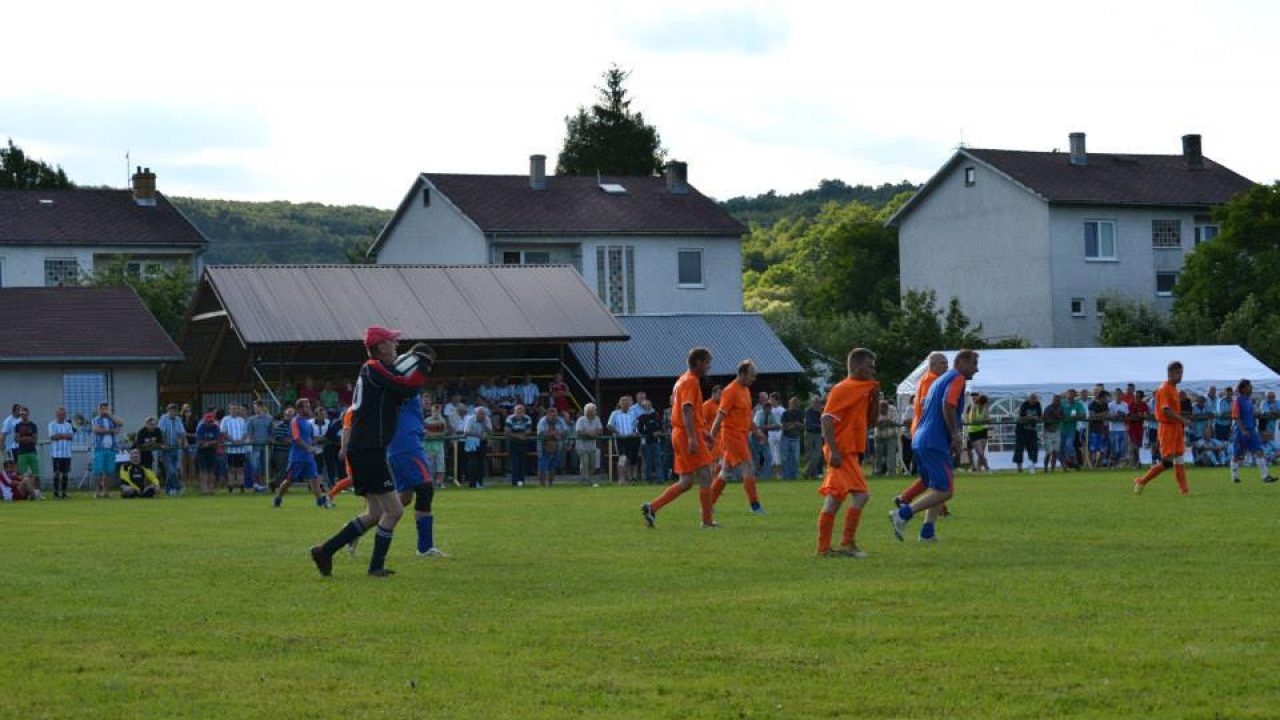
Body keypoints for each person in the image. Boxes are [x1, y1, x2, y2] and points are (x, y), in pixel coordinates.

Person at [310, 327, 431, 578]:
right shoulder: (373, 367)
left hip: (367, 448)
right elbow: (406, 385)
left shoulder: (378, 372)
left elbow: (402, 390)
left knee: (375, 513)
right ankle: (375, 567)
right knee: (394, 510)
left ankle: (325, 551)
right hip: (369, 449)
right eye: (392, 341)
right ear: (382, 347)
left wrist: (415, 371)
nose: (396, 345)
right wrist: (421, 367)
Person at [891, 349, 980, 543]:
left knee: (934, 484)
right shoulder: (957, 378)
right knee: (946, 490)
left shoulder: (938, 379)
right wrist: (955, 435)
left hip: (921, 438)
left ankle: (927, 532)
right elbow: (947, 404)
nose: (977, 370)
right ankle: (903, 513)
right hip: (934, 440)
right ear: (963, 362)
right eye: (974, 364)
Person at [642, 347, 717, 529]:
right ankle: (707, 521)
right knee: (706, 475)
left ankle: (652, 507)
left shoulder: (682, 379)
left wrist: (703, 433)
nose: (709, 366)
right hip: (685, 433)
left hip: (680, 432)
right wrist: (693, 437)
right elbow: (686, 409)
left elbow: (688, 411)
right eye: (707, 362)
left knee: (686, 481)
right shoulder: (691, 381)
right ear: (698, 362)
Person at [816, 349, 880, 558]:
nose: (873, 370)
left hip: (850, 450)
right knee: (861, 495)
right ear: (857, 366)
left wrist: (875, 398)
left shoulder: (865, 389)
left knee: (835, 498)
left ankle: (825, 548)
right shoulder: (842, 388)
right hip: (841, 451)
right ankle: (845, 543)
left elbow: (871, 421)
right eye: (870, 366)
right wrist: (833, 451)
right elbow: (826, 419)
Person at [387, 387, 448, 557]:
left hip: (401, 446)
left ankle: (359, 526)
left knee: (404, 498)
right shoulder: (403, 387)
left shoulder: (408, 396)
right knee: (425, 489)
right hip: (407, 447)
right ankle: (425, 547)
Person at [892, 352, 948, 506]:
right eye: (942, 363)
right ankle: (939, 507)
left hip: (921, 431)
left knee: (928, 474)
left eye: (946, 363)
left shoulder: (928, 379)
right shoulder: (932, 380)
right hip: (928, 433)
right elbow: (926, 404)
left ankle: (904, 498)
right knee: (938, 472)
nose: (946, 366)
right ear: (933, 365)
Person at [709, 360, 765, 514]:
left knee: (725, 472)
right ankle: (755, 505)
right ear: (741, 374)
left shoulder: (746, 390)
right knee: (748, 467)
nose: (754, 379)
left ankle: (708, 504)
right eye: (751, 376)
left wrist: (757, 431)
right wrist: (711, 438)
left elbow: (747, 416)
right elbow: (720, 416)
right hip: (731, 435)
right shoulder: (730, 391)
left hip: (741, 435)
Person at [1133, 361, 1192, 495]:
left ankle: (1184, 490)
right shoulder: (1164, 388)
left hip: (1176, 427)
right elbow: (1165, 410)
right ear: (1170, 373)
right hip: (1167, 428)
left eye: (1181, 372)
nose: (1180, 376)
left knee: (1179, 457)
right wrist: (1183, 419)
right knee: (1167, 462)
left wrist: (1182, 419)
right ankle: (1141, 481)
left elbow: (1172, 410)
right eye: (1178, 373)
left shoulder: (1174, 389)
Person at [273, 399, 329, 508]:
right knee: (289, 480)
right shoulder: (295, 421)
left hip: (308, 457)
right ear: (299, 409)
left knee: (314, 478)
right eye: (306, 406)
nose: (309, 408)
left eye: (309, 406)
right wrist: (308, 447)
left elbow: (307, 438)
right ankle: (278, 498)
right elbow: (296, 438)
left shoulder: (307, 422)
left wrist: (312, 444)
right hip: (297, 457)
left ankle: (319, 501)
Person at [1229, 379, 1276, 484]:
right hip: (1241, 431)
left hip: (1251, 430)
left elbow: (1251, 413)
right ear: (1243, 388)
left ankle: (1265, 477)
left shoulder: (1248, 400)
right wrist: (1243, 430)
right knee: (1237, 455)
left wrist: (1257, 413)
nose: (1251, 387)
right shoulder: (1237, 400)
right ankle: (1234, 477)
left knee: (1259, 451)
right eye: (1249, 386)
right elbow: (1236, 417)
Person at [90, 403, 123, 498]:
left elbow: (120, 423)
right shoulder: (96, 419)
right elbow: (97, 430)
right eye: (102, 409)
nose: (104, 411)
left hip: (111, 449)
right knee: (98, 471)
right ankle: (97, 492)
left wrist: (110, 415)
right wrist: (112, 431)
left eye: (106, 409)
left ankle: (106, 492)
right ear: (99, 410)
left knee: (109, 472)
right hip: (99, 449)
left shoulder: (111, 419)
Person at [608, 396, 640, 485]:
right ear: (620, 404)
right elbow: (609, 425)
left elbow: (635, 426)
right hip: (620, 439)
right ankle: (621, 480)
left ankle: (626, 479)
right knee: (622, 458)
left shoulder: (632, 414)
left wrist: (635, 432)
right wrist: (618, 433)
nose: (625, 405)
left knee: (629, 459)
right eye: (623, 403)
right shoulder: (614, 414)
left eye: (627, 403)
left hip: (631, 439)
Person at [157, 404, 187, 496]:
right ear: (168, 410)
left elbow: (181, 433)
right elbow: (161, 433)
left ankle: (168, 490)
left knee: (175, 469)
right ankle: (178, 487)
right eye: (171, 410)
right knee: (171, 470)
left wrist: (183, 442)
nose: (173, 412)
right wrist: (163, 445)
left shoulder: (178, 419)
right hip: (166, 449)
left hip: (176, 448)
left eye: (175, 410)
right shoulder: (163, 419)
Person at [221, 403, 249, 492]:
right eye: (232, 409)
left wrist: (241, 440)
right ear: (229, 410)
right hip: (231, 449)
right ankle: (230, 487)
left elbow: (245, 432)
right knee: (231, 468)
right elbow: (223, 432)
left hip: (241, 448)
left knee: (241, 468)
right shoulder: (225, 419)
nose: (234, 410)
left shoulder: (242, 420)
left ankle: (241, 487)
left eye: (236, 409)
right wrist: (233, 441)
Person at [462, 406, 491, 489]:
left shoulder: (487, 419)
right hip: (471, 444)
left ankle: (480, 482)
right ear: (476, 414)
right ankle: (472, 483)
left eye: (483, 414)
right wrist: (478, 435)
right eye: (480, 414)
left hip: (482, 443)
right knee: (472, 464)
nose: (481, 415)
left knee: (481, 464)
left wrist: (484, 424)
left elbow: (490, 432)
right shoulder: (470, 419)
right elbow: (466, 432)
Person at [48, 408, 74, 498]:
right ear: (56, 415)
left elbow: (71, 436)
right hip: (56, 454)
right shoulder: (52, 424)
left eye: (63, 414)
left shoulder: (68, 425)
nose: (61, 416)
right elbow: (53, 436)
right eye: (59, 414)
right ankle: (56, 492)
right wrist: (64, 435)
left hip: (66, 453)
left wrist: (60, 435)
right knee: (56, 473)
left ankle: (64, 492)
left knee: (65, 473)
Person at [504, 403, 533, 487]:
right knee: (515, 463)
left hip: (523, 443)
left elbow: (528, 431)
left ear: (524, 412)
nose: (519, 414)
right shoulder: (510, 418)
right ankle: (514, 482)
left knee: (522, 463)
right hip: (513, 443)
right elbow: (507, 431)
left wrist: (516, 434)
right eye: (517, 412)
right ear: (514, 412)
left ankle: (521, 482)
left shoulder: (527, 418)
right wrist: (519, 436)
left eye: (521, 412)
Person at [575, 403, 604, 487]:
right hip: (581, 445)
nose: (591, 413)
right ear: (585, 412)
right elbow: (578, 431)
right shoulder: (581, 420)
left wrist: (594, 432)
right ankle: (585, 480)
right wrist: (589, 433)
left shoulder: (597, 419)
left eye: (593, 411)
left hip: (592, 446)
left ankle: (589, 479)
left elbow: (600, 430)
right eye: (589, 411)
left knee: (592, 464)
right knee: (585, 462)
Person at [1013, 393, 1042, 474]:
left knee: (1034, 448)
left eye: (1035, 398)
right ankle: (1019, 467)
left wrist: (1034, 418)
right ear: (1028, 399)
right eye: (1032, 398)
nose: (1033, 400)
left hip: (1032, 430)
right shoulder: (1024, 404)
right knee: (1019, 449)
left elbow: (1040, 416)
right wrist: (1032, 417)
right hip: (1021, 430)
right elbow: (1021, 416)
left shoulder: (1038, 405)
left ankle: (1032, 465)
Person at [637, 400, 664, 484]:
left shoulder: (656, 415)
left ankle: (660, 479)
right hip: (646, 442)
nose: (647, 406)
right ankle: (647, 480)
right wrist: (652, 433)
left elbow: (660, 426)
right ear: (643, 407)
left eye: (648, 405)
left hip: (656, 441)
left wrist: (659, 431)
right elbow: (640, 430)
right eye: (645, 405)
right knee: (647, 461)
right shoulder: (641, 417)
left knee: (658, 461)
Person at [423, 404, 450, 488]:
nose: (436, 413)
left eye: (437, 411)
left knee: (440, 465)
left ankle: (440, 482)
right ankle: (431, 483)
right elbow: (425, 433)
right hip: (429, 447)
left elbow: (444, 433)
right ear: (431, 411)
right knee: (430, 465)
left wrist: (432, 435)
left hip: (439, 446)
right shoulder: (427, 421)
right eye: (434, 411)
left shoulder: (443, 421)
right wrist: (431, 434)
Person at [194, 412, 221, 494]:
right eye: (208, 421)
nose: (209, 423)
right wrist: (204, 443)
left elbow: (217, 439)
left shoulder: (215, 427)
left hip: (212, 451)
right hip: (202, 451)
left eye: (211, 421)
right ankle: (204, 487)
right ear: (205, 421)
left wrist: (208, 443)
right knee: (203, 470)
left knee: (211, 470)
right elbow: (198, 440)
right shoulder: (201, 428)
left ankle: (210, 487)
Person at [13, 407, 40, 489]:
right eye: (21, 414)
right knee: (22, 475)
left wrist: (23, 438)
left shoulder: (33, 425)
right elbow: (17, 439)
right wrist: (28, 438)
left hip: (32, 451)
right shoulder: (17, 426)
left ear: (28, 414)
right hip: (22, 452)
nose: (23, 415)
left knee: (36, 474)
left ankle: (37, 492)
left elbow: (35, 440)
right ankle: (25, 493)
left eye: (24, 414)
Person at [964, 394, 991, 472]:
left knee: (981, 452)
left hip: (983, 431)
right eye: (984, 404)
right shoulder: (973, 407)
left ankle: (979, 471)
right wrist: (984, 421)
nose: (985, 406)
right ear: (980, 403)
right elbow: (973, 421)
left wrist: (984, 421)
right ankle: (987, 468)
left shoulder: (985, 407)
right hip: (973, 431)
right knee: (980, 453)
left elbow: (989, 419)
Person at [780, 397, 805, 480]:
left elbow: (803, 426)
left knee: (795, 458)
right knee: (784, 458)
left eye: (796, 403)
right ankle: (786, 476)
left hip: (796, 438)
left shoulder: (800, 413)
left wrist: (793, 425)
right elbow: (784, 427)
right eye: (793, 403)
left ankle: (793, 476)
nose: (795, 405)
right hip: (785, 438)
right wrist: (795, 425)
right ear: (789, 403)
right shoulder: (785, 413)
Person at [872, 400, 899, 476]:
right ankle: (877, 471)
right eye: (881, 409)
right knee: (878, 455)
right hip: (879, 436)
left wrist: (889, 422)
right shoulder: (875, 410)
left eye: (884, 408)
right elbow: (873, 423)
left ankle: (891, 472)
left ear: (887, 407)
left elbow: (898, 422)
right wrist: (880, 423)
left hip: (891, 436)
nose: (882, 411)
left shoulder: (893, 410)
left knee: (891, 455)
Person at [803, 395, 825, 479]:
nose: (817, 404)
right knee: (811, 455)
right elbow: (809, 424)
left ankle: (807, 472)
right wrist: (821, 426)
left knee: (818, 455)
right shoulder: (808, 411)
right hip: (809, 434)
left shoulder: (822, 412)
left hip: (818, 435)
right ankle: (812, 474)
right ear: (811, 403)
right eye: (815, 402)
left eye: (818, 402)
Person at [1086, 391, 1110, 468]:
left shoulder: (1105, 405)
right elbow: (1091, 416)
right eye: (1106, 397)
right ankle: (1091, 465)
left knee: (1103, 449)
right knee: (1093, 449)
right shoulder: (1092, 404)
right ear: (1101, 397)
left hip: (1102, 429)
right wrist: (1101, 414)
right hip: (1093, 429)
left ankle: (1097, 465)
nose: (1107, 399)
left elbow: (1107, 414)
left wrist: (1103, 415)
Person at [1127, 390, 1150, 468]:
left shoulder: (1144, 404)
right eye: (1135, 396)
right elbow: (1130, 415)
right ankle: (1135, 463)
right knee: (1133, 446)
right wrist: (1139, 415)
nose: (1136, 397)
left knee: (1138, 446)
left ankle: (1137, 463)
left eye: (1138, 396)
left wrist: (1141, 415)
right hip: (1131, 428)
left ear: (1141, 397)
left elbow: (1146, 415)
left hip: (1140, 428)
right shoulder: (1131, 404)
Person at [1107, 389, 1130, 469]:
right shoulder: (1110, 405)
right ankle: (1112, 462)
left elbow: (1127, 416)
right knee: (1115, 449)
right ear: (1114, 395)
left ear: (1122, 395)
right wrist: (1116, 416)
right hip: (1113, 429)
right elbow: (1109, 416)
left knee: (1122, 449)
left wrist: (1122, 415)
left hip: (1123, 429)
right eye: (1117, 394)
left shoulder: (1125, 405)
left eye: (1120, 395)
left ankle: (1115, 463)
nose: (1118, 396)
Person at [1041, 394, 1063, 472]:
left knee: (1055, 451)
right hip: (1048, 431)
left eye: (1058, 400)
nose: (1056, 402)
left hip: (1056, 431)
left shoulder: (1061, 407)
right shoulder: (1048, 408)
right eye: (1055, 400)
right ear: (1052, 400)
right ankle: (1045, 468)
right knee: (1048, 452)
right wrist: (1056, 416)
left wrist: (1058, 416)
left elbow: (1063, 417)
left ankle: (1053, 469)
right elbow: (1045, 418)